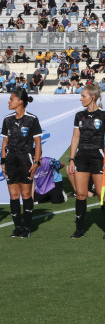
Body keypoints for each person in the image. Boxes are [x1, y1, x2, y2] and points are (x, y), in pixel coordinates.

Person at [67, 85, 105, 239]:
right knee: (81, 194)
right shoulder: (79, 115)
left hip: (98, 159)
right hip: (81, 158)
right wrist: (71, 158)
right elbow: (75, 138)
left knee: (102, 195)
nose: (81, 99)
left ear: (92, 97)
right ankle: (79, 229)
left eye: (83, 96)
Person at [2, 89, 42, 238]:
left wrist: (36, 162)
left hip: (26, 160)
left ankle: (26, 227)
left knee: (25, 194)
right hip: (11, 160)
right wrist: (3, 162)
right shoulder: (7, 120)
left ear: (20, 102)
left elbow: (37, 143)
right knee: (13, 195)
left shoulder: (32, 119)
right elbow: (4, 142)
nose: (9, 101)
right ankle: (17, 227)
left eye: (11, 99)